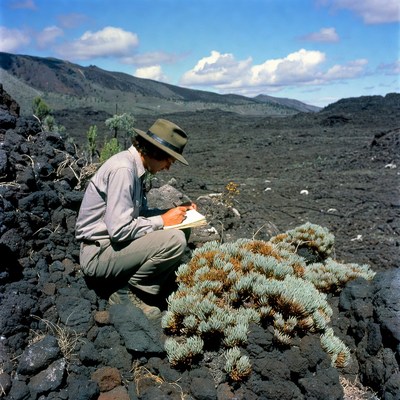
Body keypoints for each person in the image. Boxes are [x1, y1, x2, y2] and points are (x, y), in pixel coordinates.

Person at [75, 119, 195, 319]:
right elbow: (120, 231)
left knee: (182, 226)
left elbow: (136, 216)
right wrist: (163, 221)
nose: (168, 168)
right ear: (156, 152)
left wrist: (175, 213)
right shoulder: (124, 170)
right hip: (97, 254)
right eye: (168, 161)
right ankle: (128, 294)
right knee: (175, 239)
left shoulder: (134, 167)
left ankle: (143, 285)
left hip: (111, 247)